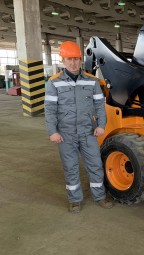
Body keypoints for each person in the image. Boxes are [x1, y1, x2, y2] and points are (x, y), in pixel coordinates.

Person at [44, 41, 113, 213]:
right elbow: (50, 109)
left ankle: (100, 196)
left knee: (95, 165)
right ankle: (75, 199)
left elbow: (99, 105)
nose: (73, 62)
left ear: (80, 59)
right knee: (71, 166)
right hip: (66, 134)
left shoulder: (92, 81)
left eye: (76, 59)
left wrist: (101, 125)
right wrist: (52, 131)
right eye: (69, 59)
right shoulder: (54, 82)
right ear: (63, 60)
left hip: (88, 131)